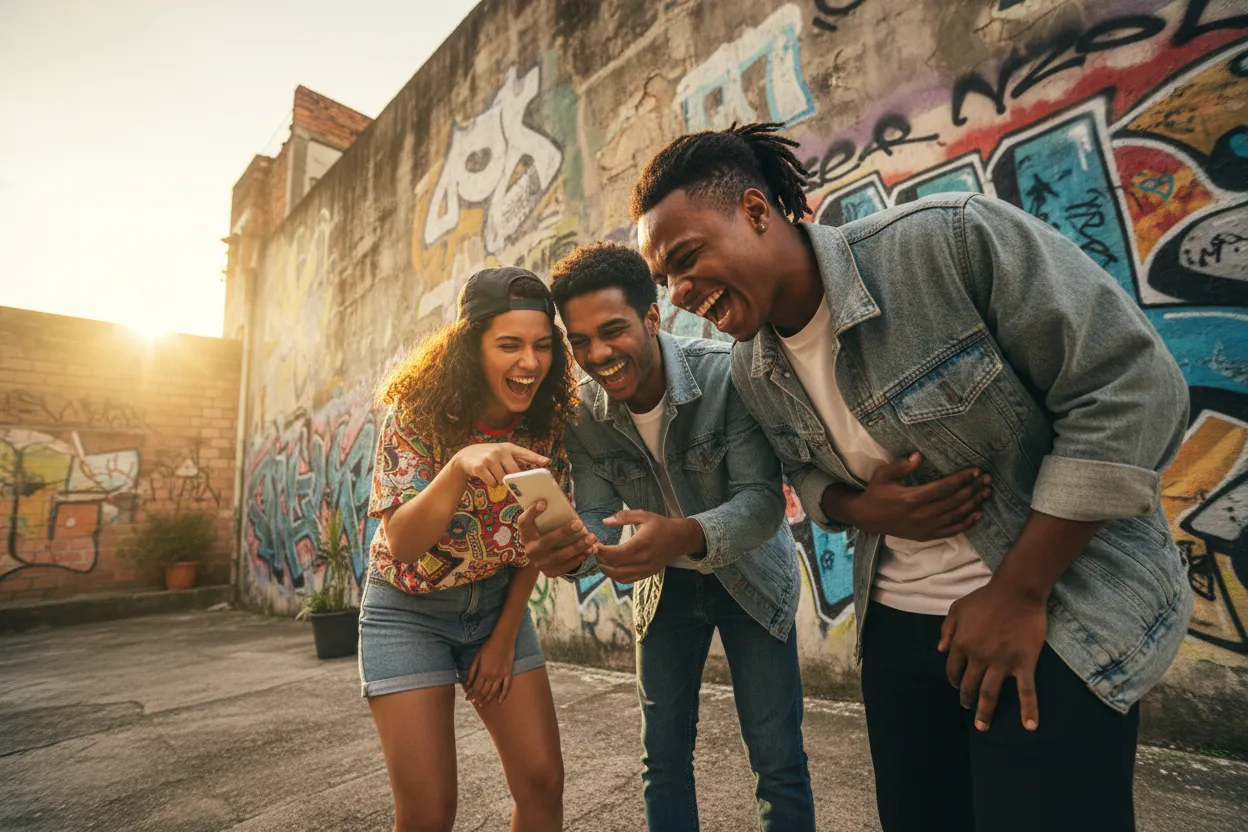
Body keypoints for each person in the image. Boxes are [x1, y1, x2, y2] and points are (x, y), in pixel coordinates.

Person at [629, 122, 1192, 832]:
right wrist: (860, 509)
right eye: (664, 280)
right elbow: (800, 469)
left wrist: (1019, 590)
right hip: (898, 636)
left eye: (685, 259)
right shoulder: (754, 366)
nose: (679, 293)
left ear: (755, 209)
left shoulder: (947, 242)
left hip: (1048, 612)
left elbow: (1132, 388)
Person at [518, 242, 817, 832]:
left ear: (652, 318)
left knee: (777, 758)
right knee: (662, 761)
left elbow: (761, 504)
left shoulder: (725, 374)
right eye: (580, 342)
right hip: (664, 593)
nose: (597, 355)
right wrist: (571, 553)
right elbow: (598, 518)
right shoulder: (583, 415)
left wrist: (680, 535)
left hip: (752, 577)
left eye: (613, 331)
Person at [358, 267, 578, 832]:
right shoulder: (417, 413)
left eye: (542, 346)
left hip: (498, 607)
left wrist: (503, 638)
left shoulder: (548, 424)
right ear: (471, 346)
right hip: (407, 614)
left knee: (542, 782)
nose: (530, 362)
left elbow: (533, 543)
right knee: (429, 812)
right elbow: (403, 543)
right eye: (509, 345)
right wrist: (459, 466)